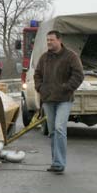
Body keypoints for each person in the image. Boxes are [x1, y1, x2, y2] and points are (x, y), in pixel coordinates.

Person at [34, 30, 84, 174]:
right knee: (53, 132)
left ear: (59, 40)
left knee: (59, 128)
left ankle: (60, 163)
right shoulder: (44, 58)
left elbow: (79, 75)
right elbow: (37, 75)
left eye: (51, 40)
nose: (49, 42)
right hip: (48, 99)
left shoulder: (71, 56)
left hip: (64, 99)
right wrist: (40, 88)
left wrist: (66, 87)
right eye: (47, 40)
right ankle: (55, 162)